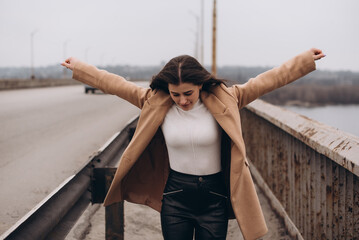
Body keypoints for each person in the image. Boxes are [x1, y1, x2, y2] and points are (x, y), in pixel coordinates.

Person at [62, 48, 325, 240]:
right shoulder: (155, 102)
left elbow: (267, 81)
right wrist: (79, 69)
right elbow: (116, 84)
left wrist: (304, 61)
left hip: (214, 199)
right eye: (175, 94)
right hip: (176, 197)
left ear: (200, 84)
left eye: (188, 93)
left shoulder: (226, 99)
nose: (182, 101)